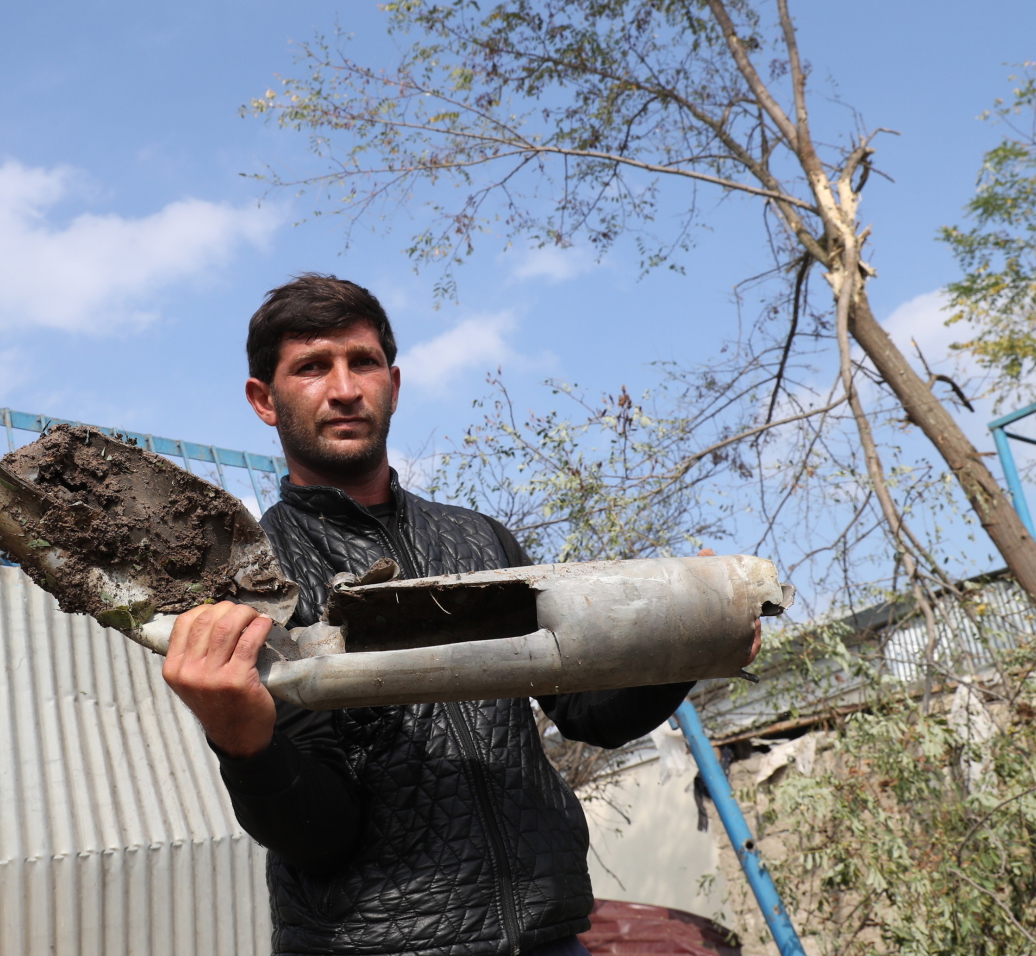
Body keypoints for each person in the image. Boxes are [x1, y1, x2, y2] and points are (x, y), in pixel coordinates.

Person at [162, 274, 759, 956]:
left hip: (551, 934)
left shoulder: (480, 541)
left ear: (393, 381)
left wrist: (696, 644)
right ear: (264, 401)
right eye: (311, 367)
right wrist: (246, 747)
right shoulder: (252, 581)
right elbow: (320, 837)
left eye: (362, 362)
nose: (344, 388)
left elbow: (591, 714)